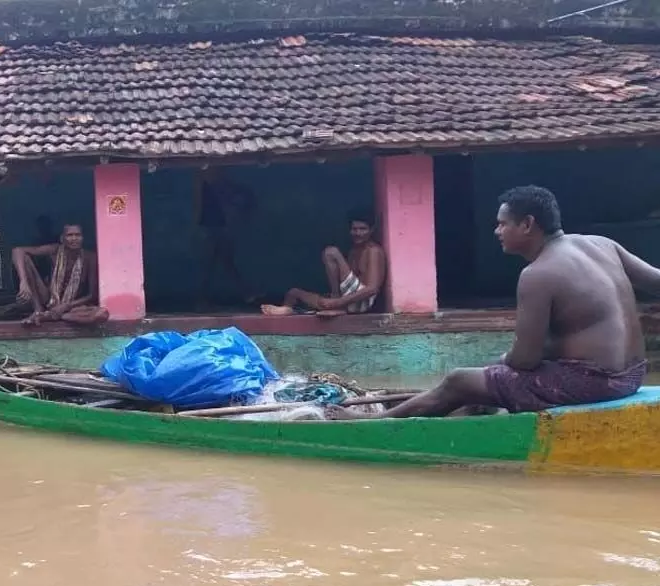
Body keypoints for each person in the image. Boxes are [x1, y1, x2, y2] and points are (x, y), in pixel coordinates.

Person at [324, 185, 652, 420]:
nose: (497, 231)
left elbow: (525, 360)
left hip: (596, 384)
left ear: (527, 225)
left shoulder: (538, 273)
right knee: (485, 379)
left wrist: (504, 360)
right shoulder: (602, 244)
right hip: (633, 374)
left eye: (503, 223)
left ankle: (374, 422)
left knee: (459, 380)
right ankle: (461, 410)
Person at [261, 208, 386, 317]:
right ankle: (287, 309)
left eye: (362, 229)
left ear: (372, 229)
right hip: (347, 299)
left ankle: (335, 301)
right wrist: (331, 301)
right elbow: (346, 281)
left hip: (361, 303)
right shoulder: (354, 250)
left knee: (331, 252)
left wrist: (337, 302)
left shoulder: (373, 251)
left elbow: (372, 289)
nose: (358, 233)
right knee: (293, 293)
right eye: (354, 229)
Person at [11, 223, 109, 326]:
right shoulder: (55, 250)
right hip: (48, 299)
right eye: (69, 235)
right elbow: (17, 251)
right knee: (25, 259)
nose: (74, 238)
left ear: (82, 238)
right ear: (62, 239)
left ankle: (50, 316)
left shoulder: (90, 257)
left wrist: (65, 306)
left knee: (101, 315)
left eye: (77, 235)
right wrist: (23, 282)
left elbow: (91, 295)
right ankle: (38, 310)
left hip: (72, 306)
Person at [195, 168, 259, 306]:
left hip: (220, 230)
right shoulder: (209, 188)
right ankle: (245, 292)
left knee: (220, 263)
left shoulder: (223, 188)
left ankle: (245, 292)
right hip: (214, 230)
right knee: (217, 264)